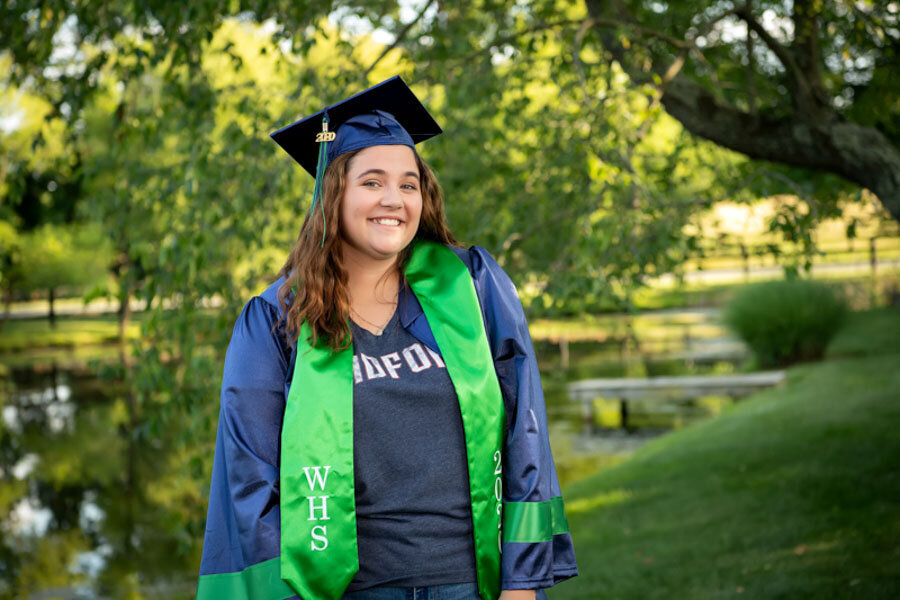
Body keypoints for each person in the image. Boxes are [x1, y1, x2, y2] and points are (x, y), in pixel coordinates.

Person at [195, 76, 577, 600]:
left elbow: (524, 431)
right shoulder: (277, 319)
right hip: (346, 590)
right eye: (372, 182)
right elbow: (251, 481)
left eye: (408, 184)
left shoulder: (472, 287)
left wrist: (523, 581)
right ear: (334, 194)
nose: (393, 200)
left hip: (471, 583)